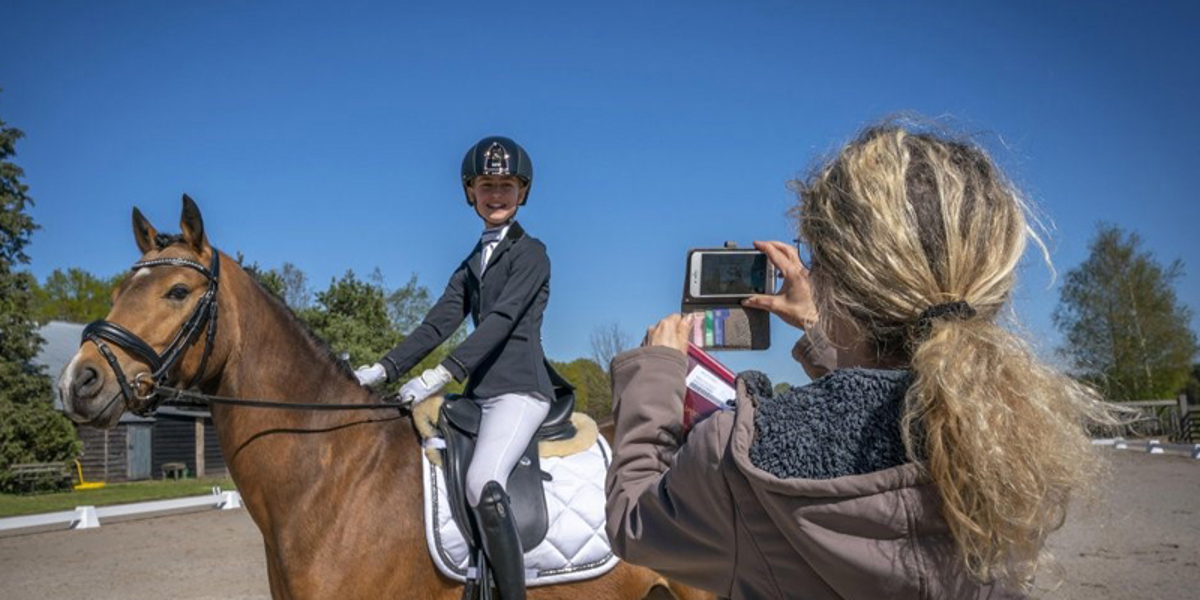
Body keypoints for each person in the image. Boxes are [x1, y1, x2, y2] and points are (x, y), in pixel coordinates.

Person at [605, 122, 1121, 599]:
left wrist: (657, 372)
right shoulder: (1012, 440)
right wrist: (821, 327)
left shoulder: (740, 456)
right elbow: (891, 406)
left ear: (836, 279)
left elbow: (635, 526)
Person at [356, 135, 554, 600]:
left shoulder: (533, 253)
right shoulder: (471, 264)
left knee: (482, 480)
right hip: (479, 397)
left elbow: (503, 320)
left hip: (520, 391)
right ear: (471, 192)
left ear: (522, 192)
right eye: (487, 185)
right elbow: (437, 323)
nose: (497, 194)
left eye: (506, 185)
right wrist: (381, 370)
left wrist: (441, 374)